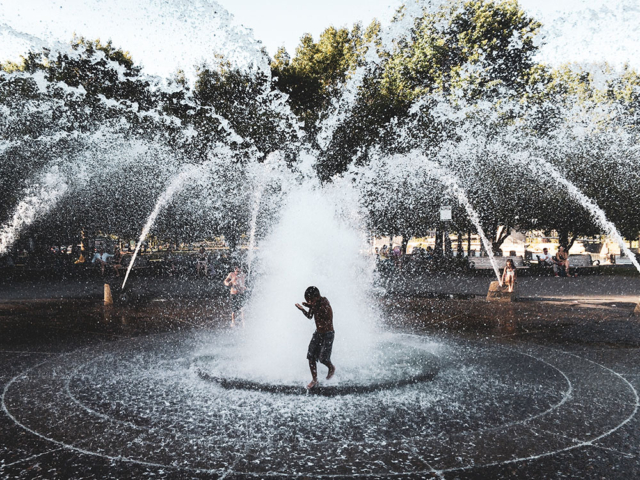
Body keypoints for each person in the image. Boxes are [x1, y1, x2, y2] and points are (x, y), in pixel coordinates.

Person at [295, 286, 336, 390]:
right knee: (311, 356)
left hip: (328, 334)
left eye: (311, 300)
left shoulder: (325, 305)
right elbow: (309, 316)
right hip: (318, 333)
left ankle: (331, 367)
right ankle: (314, 379)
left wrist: (310, 306)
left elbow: (321, 313)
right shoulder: (315, 305)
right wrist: (303, 309)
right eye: (309, 300)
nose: (310, 302)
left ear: (317, 297)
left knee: (323, 358)